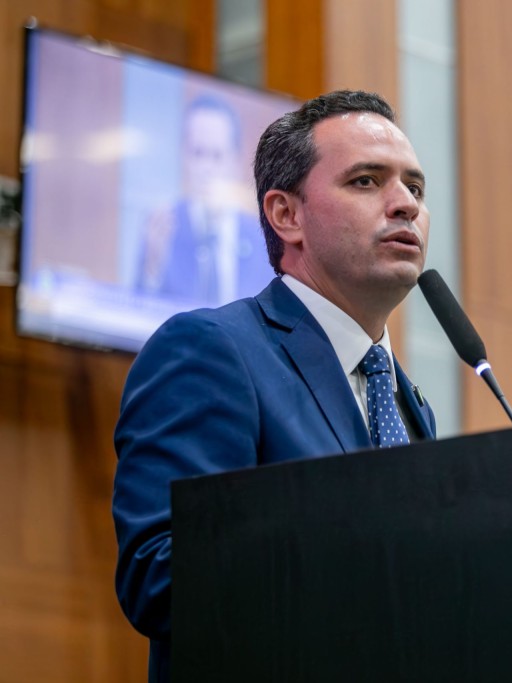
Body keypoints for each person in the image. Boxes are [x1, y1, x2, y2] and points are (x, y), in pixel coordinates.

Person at [112, 90, 436, 683]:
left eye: (414, 187)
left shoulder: (408, 404)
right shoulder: (212, 350)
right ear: (287, 215)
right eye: (367, 181)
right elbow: (161, 578)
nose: (404, 204)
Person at [136, 94, 274, 306]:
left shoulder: (260, 237)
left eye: (217, 155)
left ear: (235, 161)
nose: (206, 168)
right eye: (198, 153)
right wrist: (152, 269)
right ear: (183, 157)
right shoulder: (163, 228)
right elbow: (137, 307)